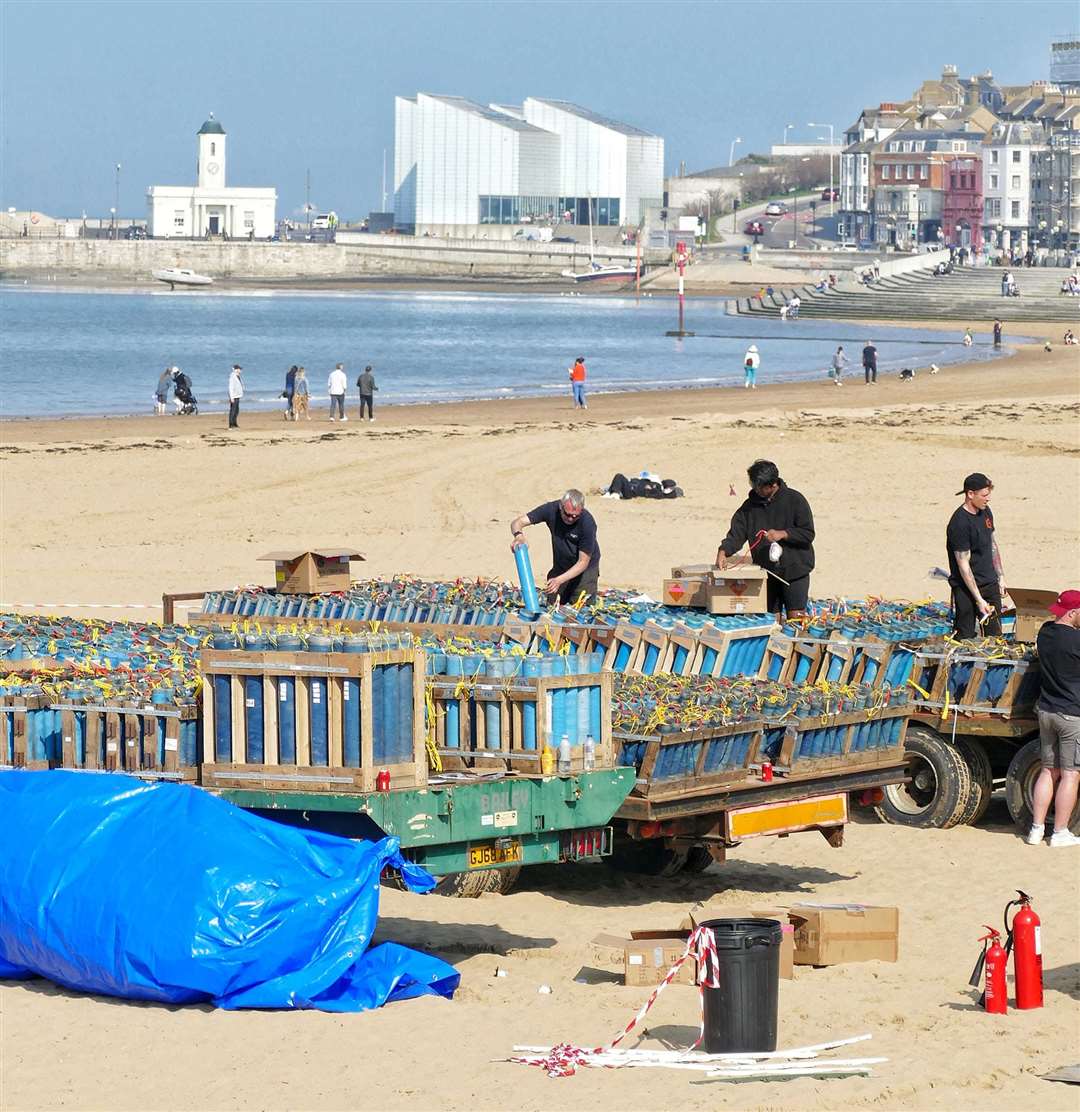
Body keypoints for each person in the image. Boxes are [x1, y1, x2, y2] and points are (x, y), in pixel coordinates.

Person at [715, 459, 815, 617]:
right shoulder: (749, 507)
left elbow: (808, 533)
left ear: (773, 484)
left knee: (796, 617)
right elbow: (736, 533)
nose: (755, 489)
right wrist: (723, 550)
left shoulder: (795, 500)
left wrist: (784, 534)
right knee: (770, 619)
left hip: (796, 570)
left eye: (759, 486)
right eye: (753, 485)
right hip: (766, 573)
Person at [1025, 590, 1080, 847]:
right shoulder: (1076, 641)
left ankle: (1036, 829)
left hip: (1046, 710)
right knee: (1070, 774)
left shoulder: (1044, 633)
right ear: (1073, 613)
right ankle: (1059, 832)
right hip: (1071, 714)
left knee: (1049, 770)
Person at [509, 489, 600, 605]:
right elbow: (517, 522)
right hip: (562, 565)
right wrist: (518, 536)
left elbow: (583, 562)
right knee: (552, 605)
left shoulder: (587, 523)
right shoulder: (551, 509)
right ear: (561, 507)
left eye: (575, 516)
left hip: (585, 570)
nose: (571, 519)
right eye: (567, 514)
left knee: (580, 610)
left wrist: (559, 580)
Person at [946, 473, 1006, 638]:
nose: (988, 499)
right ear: (970, 494)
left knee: (995, 636)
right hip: (966, 588)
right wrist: (979, 599)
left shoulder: (986, 512)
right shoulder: (959, 523)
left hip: (989, 582)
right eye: (984, 495)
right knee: (964, 636)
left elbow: (992, 544)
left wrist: (1000, 576)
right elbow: (963, 564)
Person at [227, 364, 243, 429]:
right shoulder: (232, 376)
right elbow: (230, 387)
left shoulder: (238, 376)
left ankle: (235, 423)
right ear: (236, 369)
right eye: (239, 369)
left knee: (236, 410)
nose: (240, 370)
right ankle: (231, 425)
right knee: (233, 410)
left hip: (238, 395)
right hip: (234, 396)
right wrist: (231, 397)